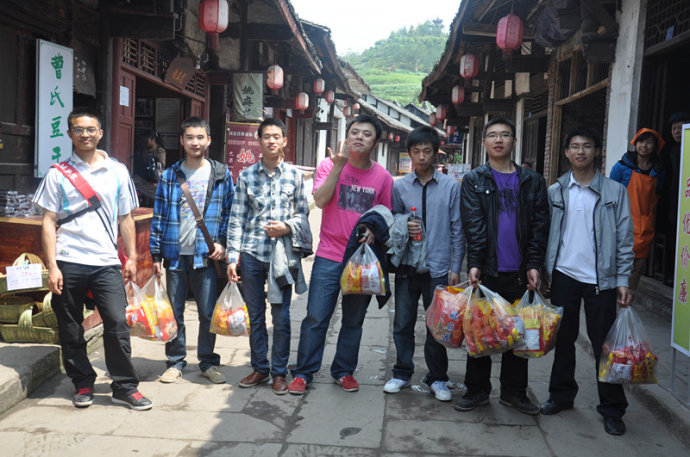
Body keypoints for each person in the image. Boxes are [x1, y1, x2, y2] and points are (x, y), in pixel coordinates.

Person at [33, 109, 152, 410]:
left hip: (106, 261)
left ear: (100, 133)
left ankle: (124, 386)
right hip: (68, 258)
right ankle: (83, 382)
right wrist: (52, 266)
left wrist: (132, 257)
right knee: (70, 326)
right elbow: (48, 221)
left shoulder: (117, 171)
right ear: (70, 134)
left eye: (90, 129)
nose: (84, 134)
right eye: (78, 129)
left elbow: (125, 217)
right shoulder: (57, 173)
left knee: (116, 322)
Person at [287, 114, 394, 395]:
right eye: (355, 132)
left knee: (353, 320)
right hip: (329, 255)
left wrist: (374, 229)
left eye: (367, 134)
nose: (359, 137)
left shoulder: (383, 178)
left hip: (362, 260)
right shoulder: (328, 165)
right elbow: (320, 201)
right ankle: (304, 372)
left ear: (375, 143)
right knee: (316, 317)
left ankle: (344, 371)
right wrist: (337, 167)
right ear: (347, 136)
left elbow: (386, 214)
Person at [540, 127, 633, 436]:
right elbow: (546, 235)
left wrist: (622, 279)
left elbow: (625, 239)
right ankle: (561, 396)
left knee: (604, 345)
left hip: (600, 280)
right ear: (566, 152)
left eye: (587, 146)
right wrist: (543, 272)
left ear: (598, 152)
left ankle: (612, 408)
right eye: (575, 146)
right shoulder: (556, 191)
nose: (581, 151)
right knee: (563, 340)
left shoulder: (615, 192)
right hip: (564, 275)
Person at [457, 118, 549, 415]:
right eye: (493, 135)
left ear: (514, 141)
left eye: (505, 135)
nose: (499, 140)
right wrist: (475, 264)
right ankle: (476, 390)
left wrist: (534, 264)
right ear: (484, 142)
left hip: (520, 271)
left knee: (517, 332)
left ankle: (514, 393)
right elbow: (473, 226)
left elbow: (540, 226)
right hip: (488, 270)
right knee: (481, 331)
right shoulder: (474, 180)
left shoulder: (532, 181)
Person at [226, 118, 311, 395]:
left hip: (281, 256)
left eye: (276, 136)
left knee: (282, 316)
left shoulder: (295, 176)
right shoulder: (246, 176)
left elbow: (302, 214)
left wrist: (287, 227)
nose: (271, 141)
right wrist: (232, 257)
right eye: (266, 136)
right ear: (259, 141)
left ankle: (279, 372)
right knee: (255, 316)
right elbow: (237, 218)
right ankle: (260, 368)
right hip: (252, 253)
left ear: (284, 141)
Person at [383, 126, 465, 402]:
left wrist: (455, 267)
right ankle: (402, 372)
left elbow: (458, 229)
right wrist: (404, 223)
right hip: (407, 267)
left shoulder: (450, 187)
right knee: (402, 323)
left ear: (435, 153)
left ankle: (437, 377)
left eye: (426, 151)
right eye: (416, 151)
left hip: (438, 268)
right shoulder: (400, 186)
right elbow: (392, 219)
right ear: (409, 153)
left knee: (437, 327)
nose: (421, 157)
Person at [149, 116, 234, 385]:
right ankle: (175, 361)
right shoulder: (169, 175)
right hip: (175, 254)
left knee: (207, 312)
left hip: (205, 255)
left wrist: (222, 243)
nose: (195, 142)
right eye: (189, 137)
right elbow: (159, 215)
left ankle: (208, 362)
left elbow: (229, 213)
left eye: (200, 137)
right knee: (175, 312)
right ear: (182, 141)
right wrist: (155, 254)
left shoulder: (221, 174)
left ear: (208, 140)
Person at [610, 128, 665, 290]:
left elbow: (658, 194)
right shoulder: (621, 167)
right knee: (616, 266)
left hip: (645, 226)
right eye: (641, 141)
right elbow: (610, 195)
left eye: (649, 142)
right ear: (635, 143)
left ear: (655, 146)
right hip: (621, 224)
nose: (644, 146)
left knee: (636, 269)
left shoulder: (659, 171)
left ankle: (627, 300)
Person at [661, 112, 690, 283]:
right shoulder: (670, 151)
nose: (677, 132)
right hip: (674, 201)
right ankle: (673, 275)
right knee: (674, 238)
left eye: (680, 127)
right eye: (674, 129)